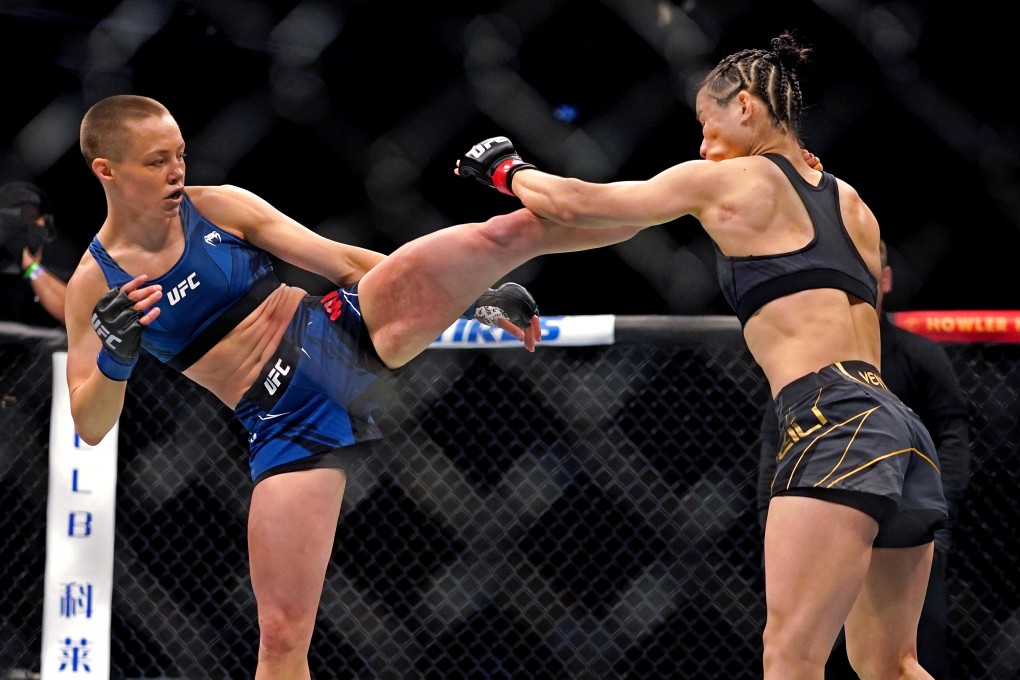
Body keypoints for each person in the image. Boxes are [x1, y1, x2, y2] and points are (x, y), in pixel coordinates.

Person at [65, 94, 641, 679]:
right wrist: (118, 355)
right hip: (282, 419)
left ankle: (674, 202)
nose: (177, 172)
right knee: (282, 637)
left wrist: (466, 301)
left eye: (181, 155)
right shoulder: (95, 285)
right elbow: (89, 425)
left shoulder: (217, 208)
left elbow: (341, 260)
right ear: (106, 170)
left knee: (507, 234)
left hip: (343, 330)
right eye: (156, 161)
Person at [456, 32, 948, 680]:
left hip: (831, 419)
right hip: (901, 429)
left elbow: (579, 203)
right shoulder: (853, 202)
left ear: (745, 107)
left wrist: (506, 170)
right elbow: (869, 285)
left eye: (705, 124)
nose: (701, 145)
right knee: (891, 664)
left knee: (789, 657)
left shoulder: (730, 178)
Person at [757, 239, 972, 679]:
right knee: (893, 666)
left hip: (842, 455)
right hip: (897, 456)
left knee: (790, 656)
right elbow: (773, 451)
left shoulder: (906, 356)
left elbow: (955, 437)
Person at [0, 180, 71, 326]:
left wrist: (29, 265)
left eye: (31, 217)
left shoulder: (65, 280)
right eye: (18, 218)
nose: (24, 226)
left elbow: (74, 316)